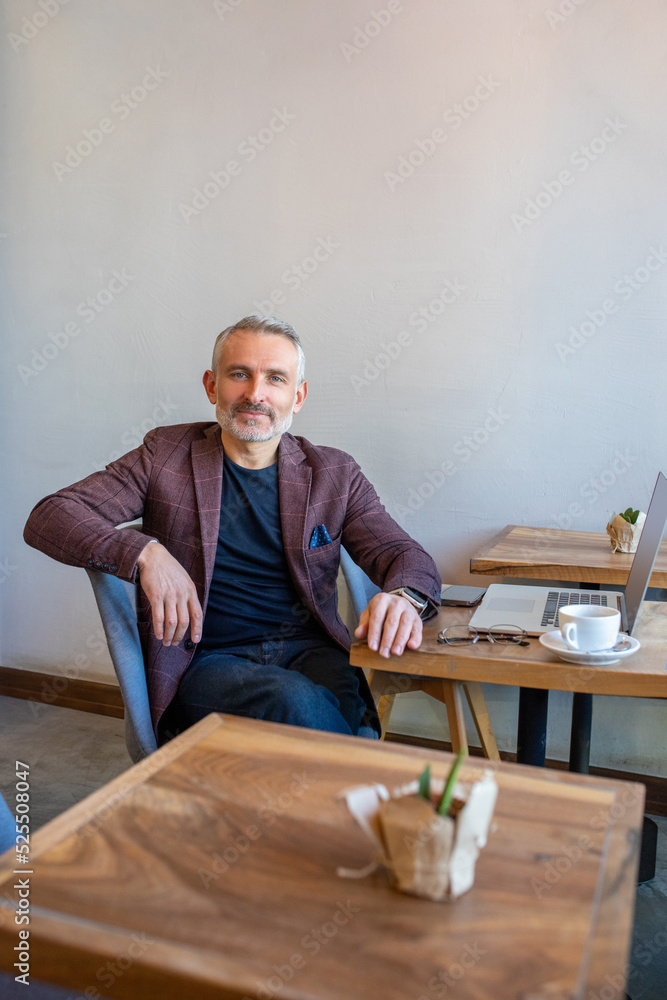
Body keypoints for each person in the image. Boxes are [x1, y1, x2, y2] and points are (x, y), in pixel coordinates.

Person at [24, 316, 441, 743]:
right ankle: (369, 794)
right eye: (239, 374)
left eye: (275, 378)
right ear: (211, 386)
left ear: (297, 397)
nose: (255, 394)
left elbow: (404, 554)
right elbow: (51, 515)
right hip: (205, 660)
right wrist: (144, 553)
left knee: (336, 717)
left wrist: (404, 598)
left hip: (311, 651)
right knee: (298, 705)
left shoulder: (333, 473)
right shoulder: (163, 456)